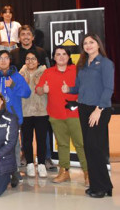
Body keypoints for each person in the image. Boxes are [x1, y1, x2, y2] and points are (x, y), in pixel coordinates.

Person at [61, 34, 114, 198]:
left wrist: (99, 109)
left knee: (96, 148)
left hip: (99, 109)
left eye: (92, 42)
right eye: (85, 43)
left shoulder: (106, 63)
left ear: (98, 44)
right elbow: (79, 87)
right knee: (89, 149)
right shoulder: (82, 64)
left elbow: (108, 89)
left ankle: (102, 187)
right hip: (83, 109)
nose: (88, 45)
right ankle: (100, 185)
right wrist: (69, 89)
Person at [35, 46, 88, 185]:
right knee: (63, 144)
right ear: (53, 57)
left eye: (64, 54)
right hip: (56, 114)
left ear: (68, 56)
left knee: (80, 144)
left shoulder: (77, 70)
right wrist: (43, 89)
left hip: (75, 113)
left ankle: (88, 173)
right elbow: (38, 90)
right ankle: (64, 172)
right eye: (58, 54)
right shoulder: (48, 72)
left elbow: (86, 88)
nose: (61, 56)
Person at [0, 50, 31, 182]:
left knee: (14, 144)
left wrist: (13, 85)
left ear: (10, 60)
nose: (3, 61)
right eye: (0, 58)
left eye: (6, 58)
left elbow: (27, 93)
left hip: (13, 116)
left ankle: (15, 170)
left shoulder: (17, 77)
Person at [19, 50, 48, 178]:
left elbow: (49, 90)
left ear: (38, 61)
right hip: (25, 112)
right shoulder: (19, 74)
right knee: (27, 140)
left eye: (33, 59)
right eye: (28, 59)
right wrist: (21, 83)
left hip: (41, 111)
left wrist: (40, 84)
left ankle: (41, 164)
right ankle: (30, 164)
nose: (30, 61)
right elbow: (14, 89)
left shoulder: (45, 73)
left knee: (41, 140)